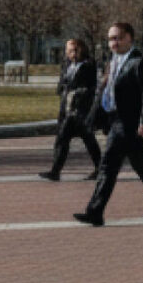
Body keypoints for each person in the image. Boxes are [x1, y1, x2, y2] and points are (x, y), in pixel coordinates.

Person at [74, 21, 143, 225]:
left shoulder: (140, 62)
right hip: (113, 120)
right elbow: (107, 91)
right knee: (139, 162)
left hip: (128, 123)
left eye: (119, 38)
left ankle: (95, 211)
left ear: (130, 38)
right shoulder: (112, 61)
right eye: (111, 38)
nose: (114, 42)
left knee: (107, 165)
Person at [40, 38, 100, 181]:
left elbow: (91, 86)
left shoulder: (88, 65)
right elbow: (61, 84)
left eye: (73, 50)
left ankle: (56, 171)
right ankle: (56, 171)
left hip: (80, 110)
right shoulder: (67, 65)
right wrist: (63, 88)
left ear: (81, 50)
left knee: (73, 138)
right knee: (72, 139)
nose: (70, 53)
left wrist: (79, 92)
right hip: (67, 108)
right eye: (68, 50)